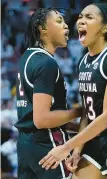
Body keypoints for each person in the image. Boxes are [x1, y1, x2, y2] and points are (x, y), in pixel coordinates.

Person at [39, 3, 107, 179]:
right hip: (92, 140)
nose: (81, 21)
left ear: (105, 28)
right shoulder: (83, 62)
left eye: (89, 17)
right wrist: (76, 149)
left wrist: (66, 146)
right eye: (80, 16)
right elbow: (88, 113)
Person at [15, 7, 82, 179]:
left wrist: (73, 126)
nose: (66, 26)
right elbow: (41, 119)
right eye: (59, 21)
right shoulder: (46, 63)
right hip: (47, 143)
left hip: (25, 145)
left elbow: (31, 115)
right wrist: (79, 112)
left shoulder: (27, 58)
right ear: (42, 28)